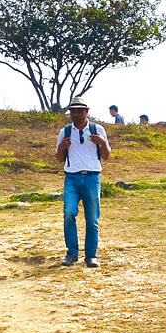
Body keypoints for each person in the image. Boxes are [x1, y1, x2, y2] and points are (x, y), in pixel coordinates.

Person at [56, 96, 111, 268]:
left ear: (87, 112)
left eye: (80, 110)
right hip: (71, 177)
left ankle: (91, 255)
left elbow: (107, 156)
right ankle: (72, 253)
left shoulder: (97, 129)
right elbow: (58, 158)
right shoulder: (65, 132)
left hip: (92, 178)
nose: (76, 114)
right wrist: (61, 147)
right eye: (73, 111)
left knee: (92, 218)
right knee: (69, 213)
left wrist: (102, 143)